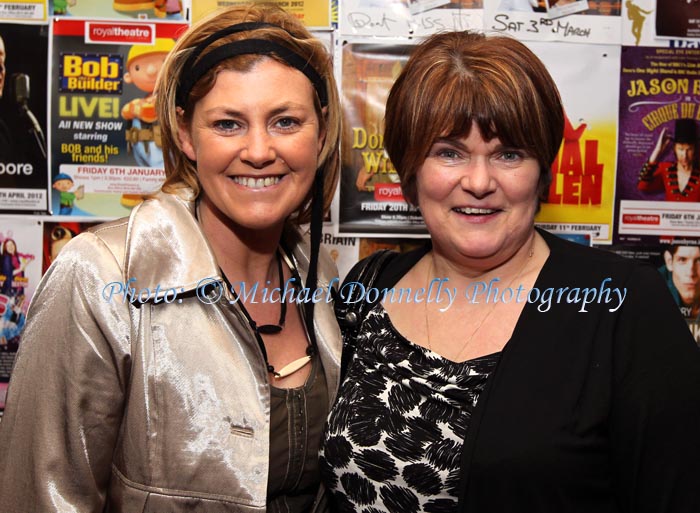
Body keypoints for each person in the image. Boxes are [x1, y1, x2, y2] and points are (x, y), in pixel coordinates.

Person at [321, 31, 700, 512]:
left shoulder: (625, 305)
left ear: (542, 172)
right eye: (448, 152)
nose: (479, 182)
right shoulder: (368, 288)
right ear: (409, 171)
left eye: (509, 154)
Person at [0, 4, 342, 512]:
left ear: (319, 133)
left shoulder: (321, 275)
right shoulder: (100, 273)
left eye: (286, 121)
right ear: (185, 135)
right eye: (227, 124)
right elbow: (41, 495)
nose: (258, 150)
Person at [638, 118, 700, 201]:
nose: (684, 155)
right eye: (681, 149)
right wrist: (657, 150)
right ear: (674, 149)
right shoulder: (665, 169)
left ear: (695, 149)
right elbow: (642, 186)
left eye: (689, 149)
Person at [661, 245, 700, 318]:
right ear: (669, 262)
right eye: (682, 260)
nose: (690, 273)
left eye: (699, 261)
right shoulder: (652, 286)